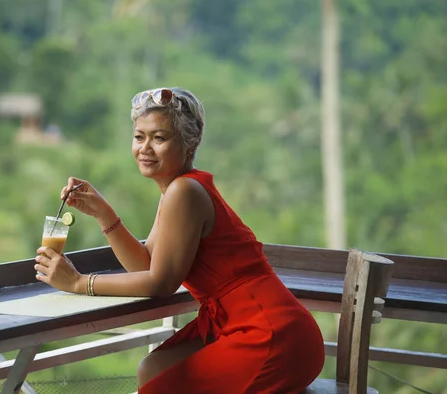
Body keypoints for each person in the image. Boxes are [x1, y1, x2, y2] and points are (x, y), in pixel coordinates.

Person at [34, 87, 325, 393]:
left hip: (270, 334)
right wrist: (104, 214)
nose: (145, 148)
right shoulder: (178, 189)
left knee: (163, 385)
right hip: (243, 324)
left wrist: (80, 283)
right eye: (139, 136)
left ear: (190, 143)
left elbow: (161, 283)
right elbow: (146, 265)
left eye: (159, 138)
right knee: (154, 369)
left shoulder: (184, 192)